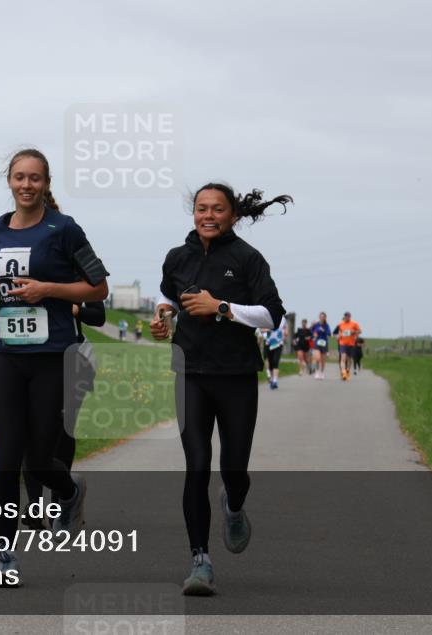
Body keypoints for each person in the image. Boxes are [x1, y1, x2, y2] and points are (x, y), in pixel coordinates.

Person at [0, 148, 110, 584]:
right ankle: (5, 558)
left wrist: (48, 288)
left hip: (53, 357)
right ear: (9, 181)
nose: (26, 185)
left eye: (35, 179)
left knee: (42, 461)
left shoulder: (64, 230)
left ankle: (69, 490)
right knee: (6, 459)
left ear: (46, 184)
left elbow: (98, 288)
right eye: (19, 177)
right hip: (5, 356)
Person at [149, 182, 290, 596]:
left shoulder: (247, 259)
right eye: (201, 208)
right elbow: (166, 295)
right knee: (196, 466)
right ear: (193, 213)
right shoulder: (178, 257)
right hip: (190, 373)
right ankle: (200, 561)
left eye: (217, 209)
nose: (208, 215)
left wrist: (221, 308)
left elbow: (271, 316)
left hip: (236, 377)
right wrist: (163, 317)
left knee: (233, 470)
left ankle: (234, 505)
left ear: (232, 215)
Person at [22, 301, 105, 529]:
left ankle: (61, 504)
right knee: (30, 429)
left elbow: (99, 316)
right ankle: (34, 506)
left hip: (76, 358)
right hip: (31, 355)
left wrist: (77, 310)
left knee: (62, 427)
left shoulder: (80, 268)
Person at [260, 315, 287, 389]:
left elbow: (285, 328)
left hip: (278, 343)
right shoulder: (266, 316)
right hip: (268, 343)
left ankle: (275, 381)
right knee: (270, 363)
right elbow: (261, 329)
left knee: (276, 361)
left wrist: (285, 335)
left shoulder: (283, 318)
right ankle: (272, 379)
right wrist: (268, 329)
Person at [336, 311, 362, 381]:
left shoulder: (354, 324)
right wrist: (338, 336)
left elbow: (360, 331)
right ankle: (343, 372)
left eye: (348, 316)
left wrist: (354, 332)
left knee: (349, 359)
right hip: (342, 343)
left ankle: (347, 371)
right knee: (343, 358)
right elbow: (339, 333)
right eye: (345, 316)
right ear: (344, 317)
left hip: (351, 344)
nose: (347, 317)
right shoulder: (341, 324)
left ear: (350, 317)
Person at [310, 312, 331, 380]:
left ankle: (321, 372)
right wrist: (313, 334)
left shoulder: (326, 325)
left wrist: (324, 330)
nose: (322, 318)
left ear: (325, 318)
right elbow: (311, 331)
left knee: (323, 360)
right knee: (317, 358)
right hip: (317, 343)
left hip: (324, 343)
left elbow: (329, 333)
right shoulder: (316, 324)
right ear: (319, 317)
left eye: (323, 316)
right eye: (320, 316)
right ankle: (316, 372)